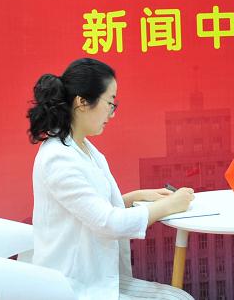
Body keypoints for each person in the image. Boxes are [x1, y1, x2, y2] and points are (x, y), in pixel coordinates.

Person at [27, 58, 195, 300]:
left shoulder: (82, 147)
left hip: (92, 276)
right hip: (71, 285)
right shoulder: (58, 158)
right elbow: (108, 222)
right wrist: (169, 205)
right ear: (82, 102)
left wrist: (136, 197)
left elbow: (91, 210)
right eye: (110, 103)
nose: (112, 113)